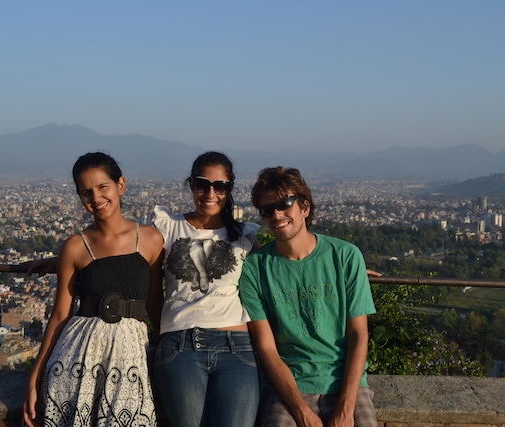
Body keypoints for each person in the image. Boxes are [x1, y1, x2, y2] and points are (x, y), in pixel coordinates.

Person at [23, 152, 164, 427]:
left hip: (130, 359)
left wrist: (168, 356)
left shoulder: (150, 239)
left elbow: (156, 304)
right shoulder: (75, 247)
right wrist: (33, 380)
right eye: (86, 192)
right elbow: (60, 315)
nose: (96, 199)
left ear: (120, 185)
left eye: (103, 187)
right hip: (77, 357)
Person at [239, 166, 377, 427]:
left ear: (304, 207)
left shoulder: (345, 257)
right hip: (290, 387)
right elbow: (267, 348)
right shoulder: (255, 268)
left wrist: (346, 408)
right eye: (268, 210)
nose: (277, 215)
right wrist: (301, 411)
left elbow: (359, 334)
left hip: (347, 384)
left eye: (284, 204)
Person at [152, 151, 261, 427]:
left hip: (236, 345)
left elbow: (281, 266)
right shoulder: (168, 227)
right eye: (202, 184)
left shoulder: (244, 235)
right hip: (180, 345)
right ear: (191, 185)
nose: (210, 193)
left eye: (220, 186)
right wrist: (63, 258)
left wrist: (341, 265)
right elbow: (129, 257)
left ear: (229, 189)